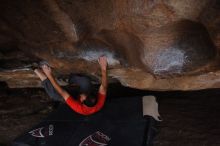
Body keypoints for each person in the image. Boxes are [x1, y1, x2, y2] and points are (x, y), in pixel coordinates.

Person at [34, 56, 108, 115]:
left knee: (54, 94)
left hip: (72, 97)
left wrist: (49, 74)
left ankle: (36, 70)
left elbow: (62, 92)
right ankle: (71, 79)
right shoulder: (99, 103)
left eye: (83, 97)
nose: (82, 96)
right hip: (81, 91)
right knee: (85, 82)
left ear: (82, 101)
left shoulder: (78, 107)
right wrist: (103, 67)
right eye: (86, 94)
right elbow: (104, 87)